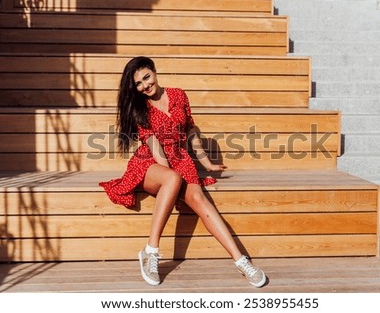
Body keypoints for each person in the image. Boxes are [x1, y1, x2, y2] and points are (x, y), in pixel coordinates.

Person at [99, 56, 266, 288]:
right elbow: (155, 148)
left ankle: (241, 261)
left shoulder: (178, 95)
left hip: (182, 159)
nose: (145, 85)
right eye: (138, 83)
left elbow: (190, 130)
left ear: (155, 71)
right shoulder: (140, 108)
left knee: (200, 200)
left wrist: (205, 163)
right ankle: (150, 251)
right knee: (173, 178)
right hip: (150, 164)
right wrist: (174, 185)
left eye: (147, 77)